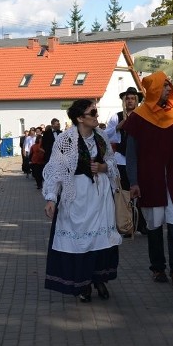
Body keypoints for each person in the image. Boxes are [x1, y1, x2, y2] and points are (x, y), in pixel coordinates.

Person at [42, 99, 122, 302]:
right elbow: (55, 170)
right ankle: (83, 283)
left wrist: (104, 168)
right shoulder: (66, 140)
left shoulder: (101, 137)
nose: (97, 116)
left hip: (100, 196)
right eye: (92, 113)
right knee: (81, 241)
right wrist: (51, 197)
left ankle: (98, 279)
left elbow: (111, 161)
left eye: (96, 112)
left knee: (100, 240)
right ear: (79, 118)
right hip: (77, 196)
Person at [122, 71, 173, 287]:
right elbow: (131, 154)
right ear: (154, 89)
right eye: (163, 86)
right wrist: (133, 181)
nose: (167, 89)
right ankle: (157, 268)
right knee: (154, 225)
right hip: (150, 181)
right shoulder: (139, 117)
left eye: (168, 86)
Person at [105, 86, 149, 236]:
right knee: (124, 194)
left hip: (140, 160)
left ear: (137, 101)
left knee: (141, 193)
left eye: (133, 98)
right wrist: (118, 127)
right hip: (121, 160)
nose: (130, 101)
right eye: (128, 99)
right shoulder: (116, 117)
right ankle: (126, 224)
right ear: (124, 101)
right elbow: (105, 136)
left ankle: (142, 224)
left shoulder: (143, 116)